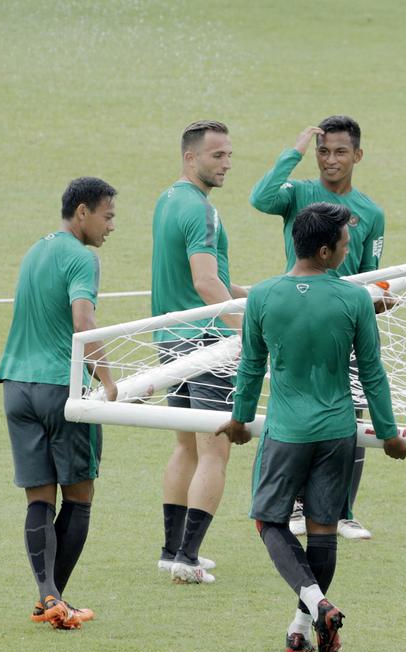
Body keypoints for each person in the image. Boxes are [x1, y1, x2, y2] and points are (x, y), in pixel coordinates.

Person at [216, 203, 406, 652]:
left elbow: (251, 366)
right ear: (325, 251)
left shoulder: (263, 297)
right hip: (337, 432)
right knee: (322, 530)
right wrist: (388, 434)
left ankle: (316, 606)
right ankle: (303, 625)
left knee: (269, 521)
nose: (349, 249)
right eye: (345, 243)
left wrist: (241, 418)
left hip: (287, 432)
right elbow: (372, 373)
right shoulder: (355, 299)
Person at [250, 115, 387, 540]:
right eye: (322, 151)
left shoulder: (371, 213)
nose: (330, 160)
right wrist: (293, 152)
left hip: (344, 322)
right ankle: (294, 505)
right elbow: (260, 197)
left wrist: (376, 303)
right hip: (298, 318)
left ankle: (342, 511)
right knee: (295, 405)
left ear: (357, 155)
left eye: (340, 152)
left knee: (352, 409)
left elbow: (370, 274)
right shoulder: (298, 193)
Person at [0, 177, 119, 629]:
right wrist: (108, 382)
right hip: (59, 391)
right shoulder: (82, 258)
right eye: (107, 216)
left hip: (16, 386)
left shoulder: (35, 251)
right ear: (82, 211)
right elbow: (83, 323)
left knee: (40, 497)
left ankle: (48, 598)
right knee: (81, 496)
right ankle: (55, 598)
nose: (111, 226)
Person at [151, 120, 248, 583]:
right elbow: (206, 282)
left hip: (171, 341)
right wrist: (246, 333)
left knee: (186, 445)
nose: (226, 163)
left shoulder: (167, 200)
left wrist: (253, 297)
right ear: (190, 158)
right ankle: (187, 559)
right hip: (208, 343)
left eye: (229, 155)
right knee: (215, 451)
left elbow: (212, 280)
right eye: (217, 155)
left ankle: (171, 551)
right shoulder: (202, 211)